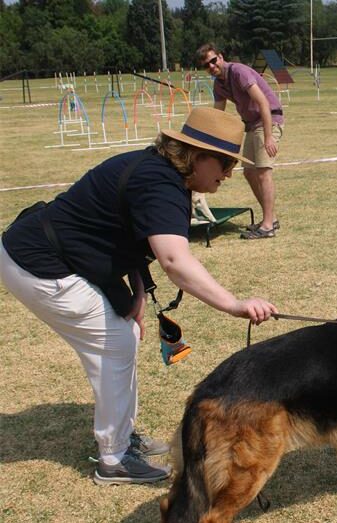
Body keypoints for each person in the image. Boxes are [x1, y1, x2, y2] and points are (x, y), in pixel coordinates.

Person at [0, 107, 279, 485]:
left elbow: (130, 235)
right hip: (36, 261)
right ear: (197, 158)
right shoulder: (160, 183)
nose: (228, 174)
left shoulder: (163, 174)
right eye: (225, 163)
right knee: (115, 342)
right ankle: (113, 458)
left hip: (52, 255)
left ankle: (121, 439)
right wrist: (233, 304)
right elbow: (173, 260)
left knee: (122, 337)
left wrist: (136, 297)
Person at [196, 43, 284, 240]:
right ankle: (271, 218)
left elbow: (262, 102)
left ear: (220, 56)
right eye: (206, 65)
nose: (211, 66)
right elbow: (218, 114)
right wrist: (209, 142)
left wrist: (269, 136)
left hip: (268, 120)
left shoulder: (239, 72)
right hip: (252, 125)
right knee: (249, 172)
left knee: (263, 172)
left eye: (213, 60)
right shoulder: (219, 84)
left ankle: (268, 225)